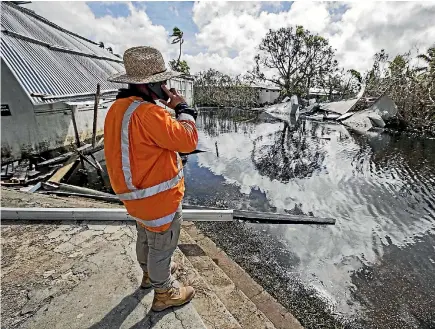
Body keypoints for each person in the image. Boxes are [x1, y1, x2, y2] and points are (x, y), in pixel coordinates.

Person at [104, 46, 198, 312]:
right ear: (149, 85)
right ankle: (164, 291)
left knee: (146, 237)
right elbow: (188, 141)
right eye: (162, 83)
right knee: (162, 247)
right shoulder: (148, 113)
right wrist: (183, 108)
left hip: (137, 197)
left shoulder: (119, 108)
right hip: (159, 200)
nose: (166, 87)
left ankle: (149, 275)